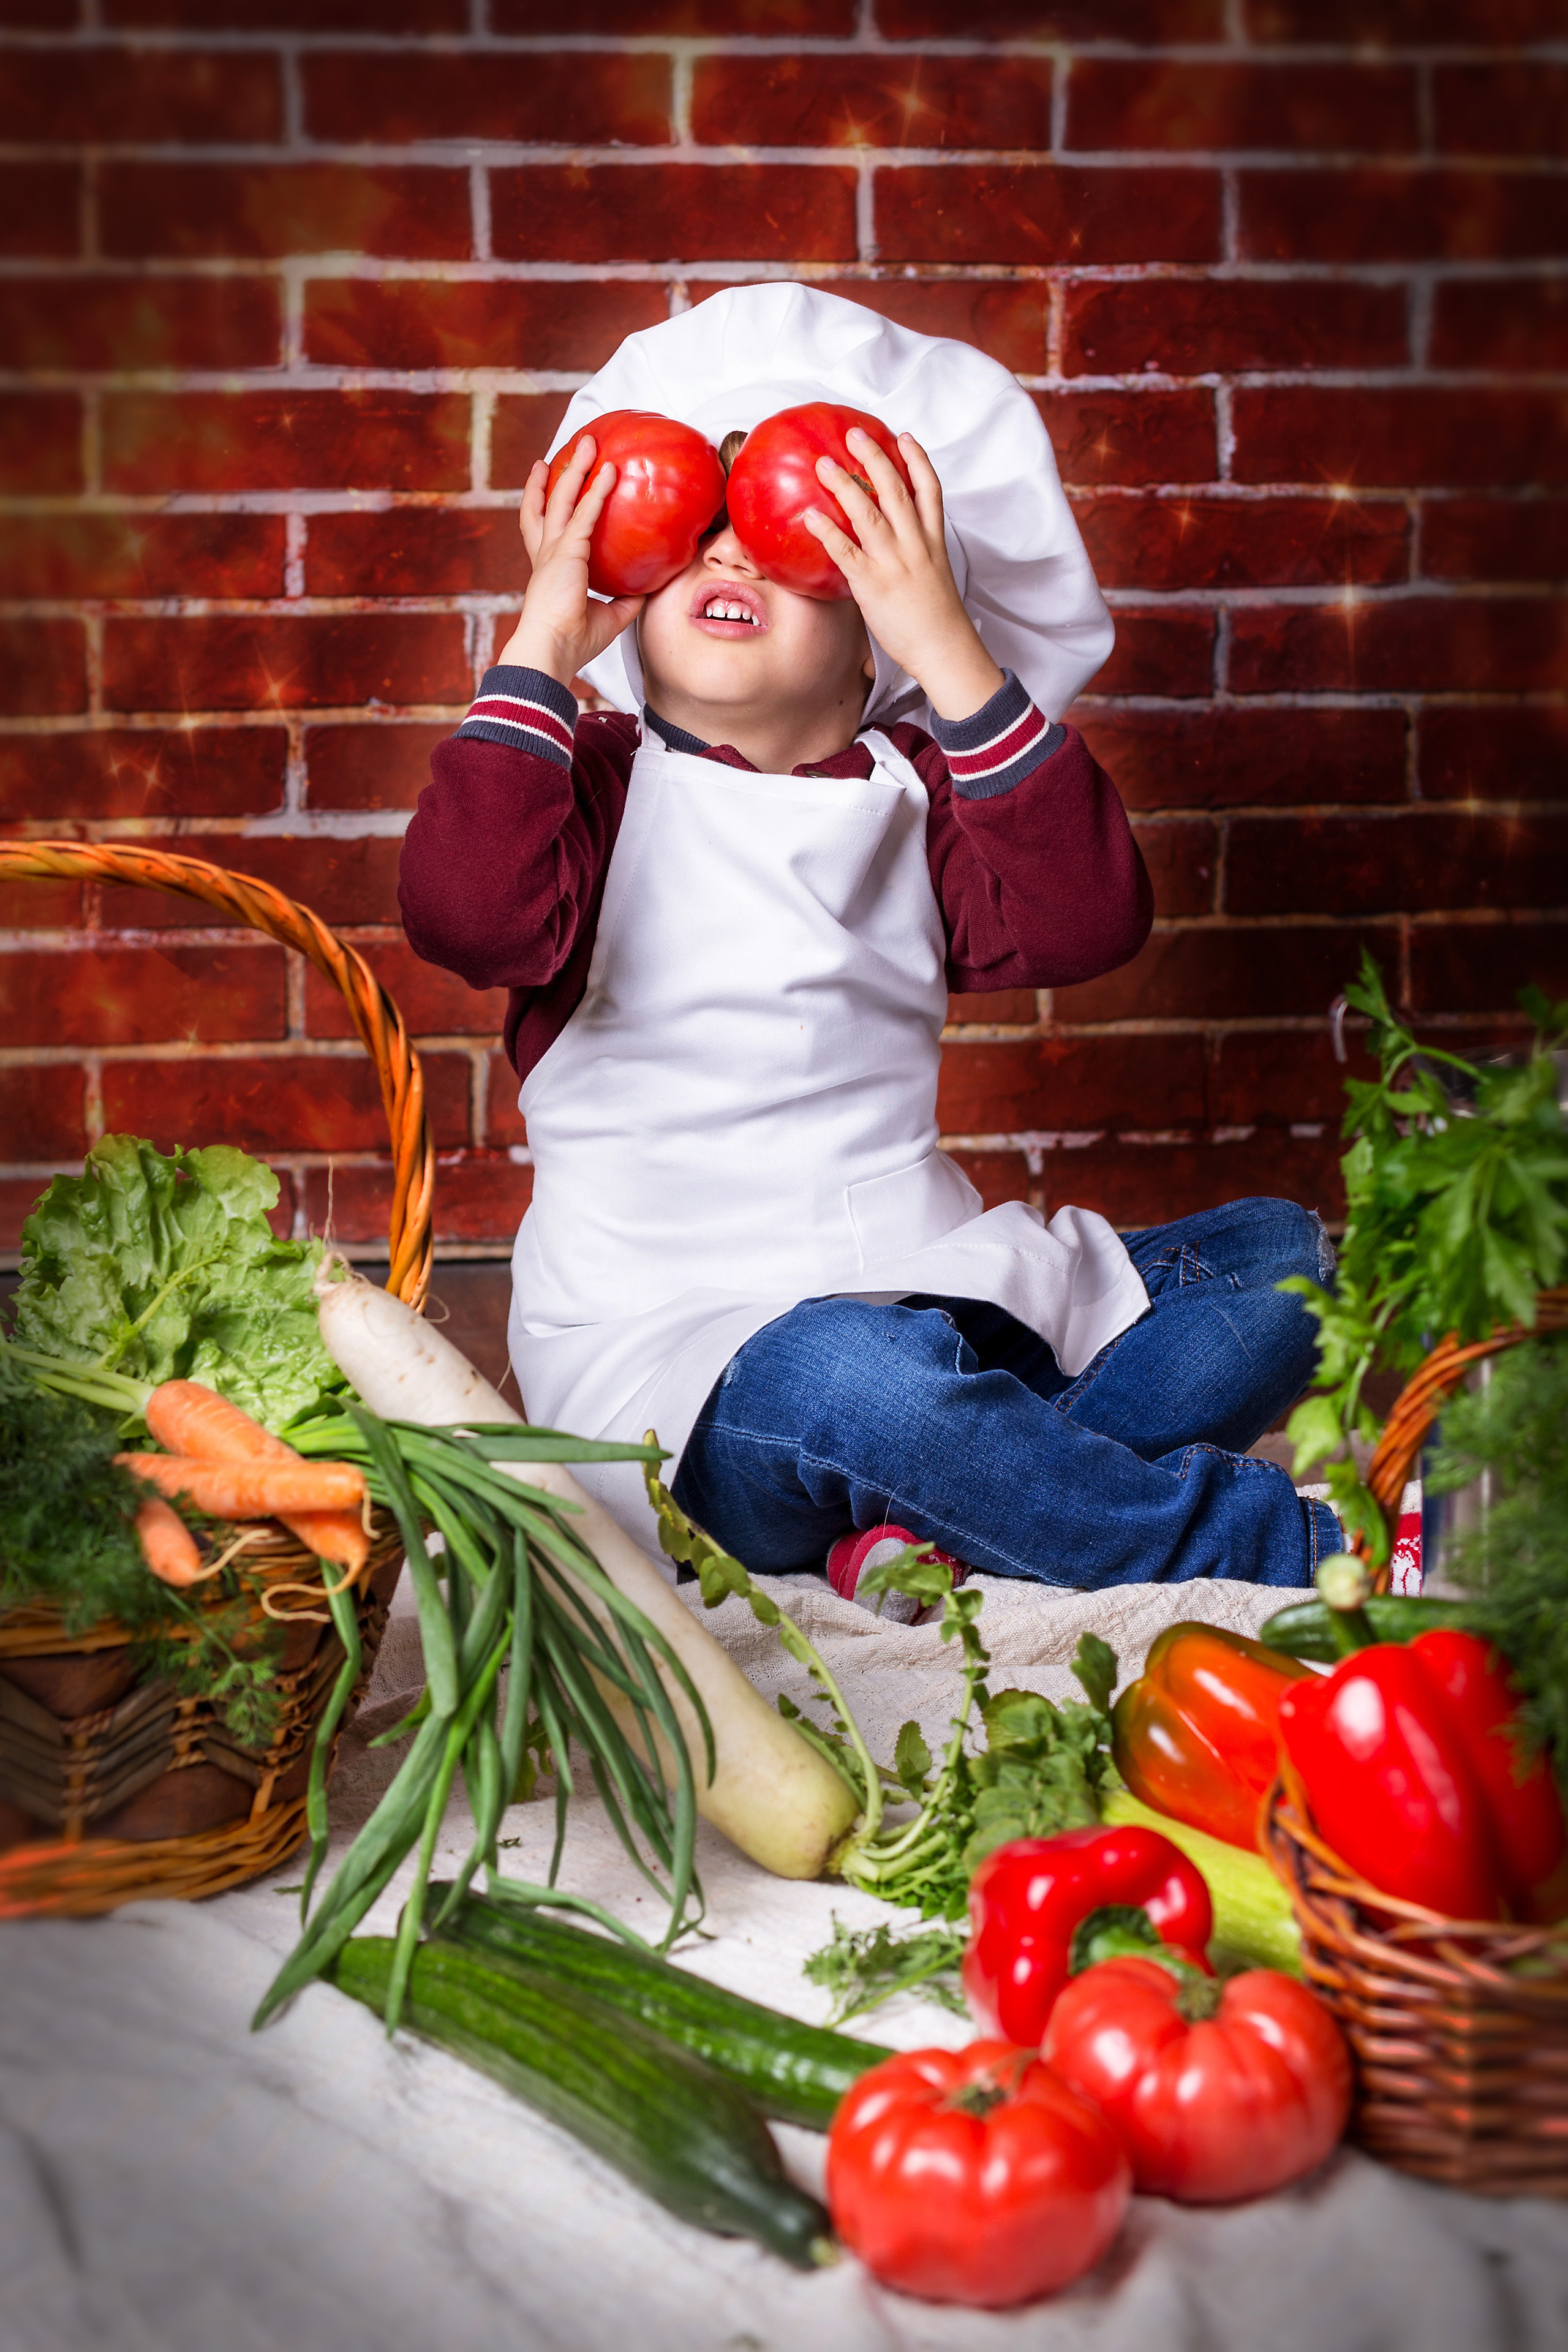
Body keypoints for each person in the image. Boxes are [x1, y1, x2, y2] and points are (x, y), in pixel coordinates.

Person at [399, 286, 1339, 1593]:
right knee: (852, 1378)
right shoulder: (590, 783)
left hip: (932, 1293)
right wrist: (548, 640)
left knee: (1284, 1264)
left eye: (789, 545)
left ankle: (938, 1520)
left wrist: (950, 645)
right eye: (693, 536)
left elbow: (1088, 918)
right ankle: (1283, 1543)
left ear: (877, 649)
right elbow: (462, 912)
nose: (730, 557)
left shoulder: (925, 790)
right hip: (694, 1371)